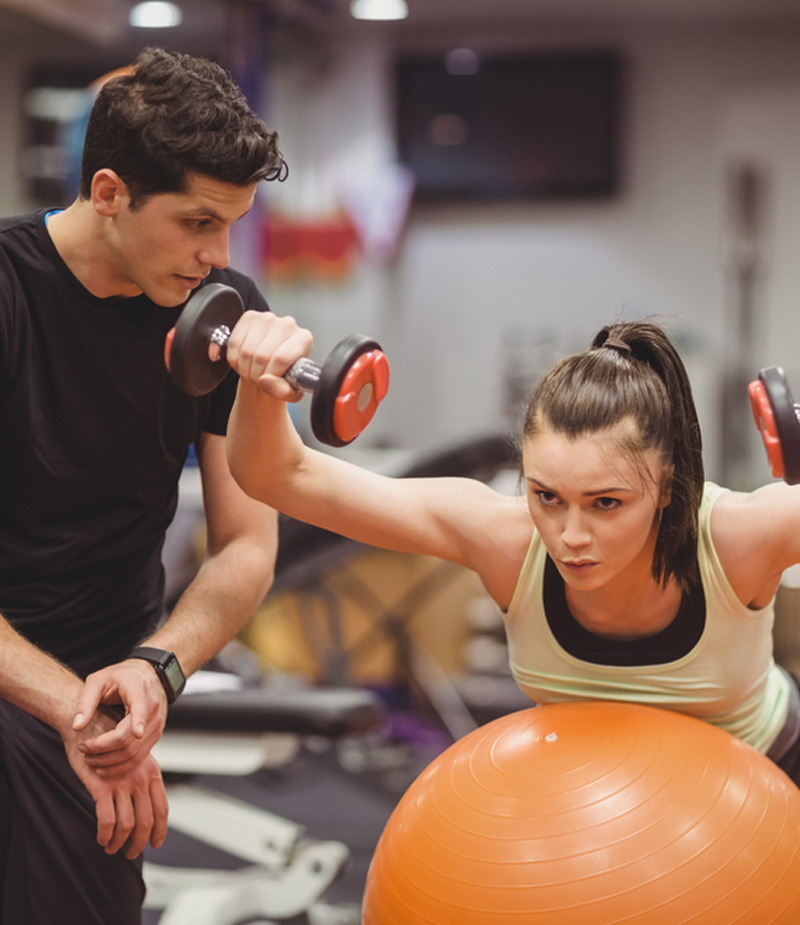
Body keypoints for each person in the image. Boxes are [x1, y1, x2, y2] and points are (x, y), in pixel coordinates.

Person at [222, 312, 800, 786]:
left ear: (668, 487)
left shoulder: (738, 538)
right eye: (548, 496)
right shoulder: (504, 539)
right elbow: (279, 476)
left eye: (606, 503)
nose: (571, 535)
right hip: (598, 794)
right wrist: (258, 384)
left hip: (763, 784)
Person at [0, 47, 286, 923]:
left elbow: (248, 543)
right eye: (198, 222)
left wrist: (159, 668)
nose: (217, 255)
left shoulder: (220, 311)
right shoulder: (9, 291)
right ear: (111, 192)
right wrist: (69, 711)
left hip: (109, 688)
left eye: (231, 225)